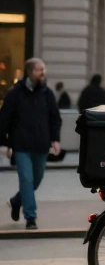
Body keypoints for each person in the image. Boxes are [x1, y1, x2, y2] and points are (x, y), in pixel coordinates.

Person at [0, 58, 61, 229]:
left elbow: (55, 118)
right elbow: (3, 120)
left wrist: (55, 139)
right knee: (26, 179)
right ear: (30, 72)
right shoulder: (15, 94)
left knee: (36, 180)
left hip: (41, 145)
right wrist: (4, 143)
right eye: (39, 70)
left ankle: (16, 201)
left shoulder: (47, 94)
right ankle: (31, 217)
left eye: (43, 69)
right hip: (21, 146)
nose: (43, 73)